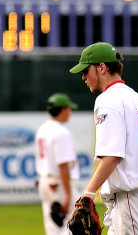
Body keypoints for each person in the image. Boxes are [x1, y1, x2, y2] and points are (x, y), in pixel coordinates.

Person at [69, 42, 138, 234]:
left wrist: (88, 195)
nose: (83, 77)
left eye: (86, 70)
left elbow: (112, 155)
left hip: (136, 197)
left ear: (101, 67)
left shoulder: (109, 100)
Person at [35, 93, 80, 235]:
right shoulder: (61, 132)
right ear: (63, 109)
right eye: (69, 108)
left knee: (52, 226)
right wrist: (68, 194)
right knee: (70, 224)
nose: (70, 112)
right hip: (60, 184)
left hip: (45, 182)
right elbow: (63, 165)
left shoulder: (43, 129)